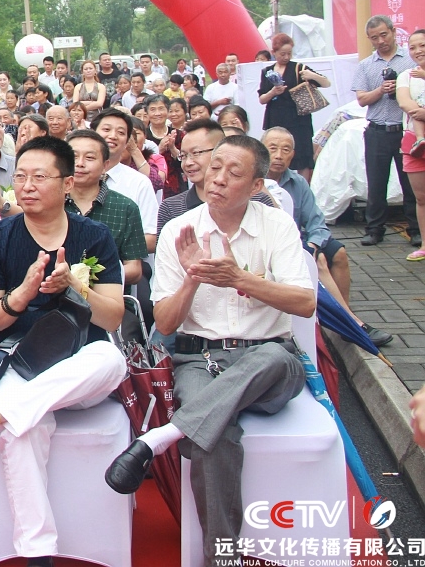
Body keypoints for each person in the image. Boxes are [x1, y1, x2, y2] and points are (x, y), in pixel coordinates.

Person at [104, 136, 315, 567]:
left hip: (269, 358)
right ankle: (223, 559)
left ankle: (163, 436)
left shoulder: (276, 225)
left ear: (256, 186)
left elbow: (305, 303)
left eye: (233, 173)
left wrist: (239, 278)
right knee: (210, 438)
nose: (217, 178)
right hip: (200, 359)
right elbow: (165, 324)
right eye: (214, 166)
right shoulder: (180, 231)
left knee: (274, 359)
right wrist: (193, 278)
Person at [0, 137, 126, 565]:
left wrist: (75, 285)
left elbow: (113, 318)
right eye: (20, 176)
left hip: (81, 363)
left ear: (67, 183)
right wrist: (20, 296)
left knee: (112, 359)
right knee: (21, 429)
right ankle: (39, 554)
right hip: (22, 359)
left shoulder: (94, 236)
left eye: (40, 177)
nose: (26, 185)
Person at [263, 127, 391, 346]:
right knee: (319, 262)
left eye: (285, 150)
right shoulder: (253, 180)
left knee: (337, 252)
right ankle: (350, 323)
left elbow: (316, 222)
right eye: (272, 148)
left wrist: (313, 244)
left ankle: (345, 313)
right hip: (272, 244)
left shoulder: (298, 182)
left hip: (300, 240)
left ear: (293, 154)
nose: (278, 155)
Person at [355, 15, 421, 247]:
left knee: (410, 183)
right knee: (376, 183)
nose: (380, 41)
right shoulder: (365, 65)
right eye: (375, 38)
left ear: (393, 31)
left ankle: (416, 229)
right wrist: (381, 90)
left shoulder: (410, 60)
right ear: (369, 39)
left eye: (384, 35)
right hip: (377, 130)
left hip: (405, 130)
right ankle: (374, 229)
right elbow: (361, 99)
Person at [66, 131, 147, 286]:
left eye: (89, 158)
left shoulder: (126, 208)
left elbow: (134, 269)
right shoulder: (49, 203)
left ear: (105, 166)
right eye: (73, 156)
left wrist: (86, 278)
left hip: (108, 295)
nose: (80, 163)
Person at [259, 33, 330, 182]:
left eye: (289, 53)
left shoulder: (299, 68)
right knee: (275, 155)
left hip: (298, 119)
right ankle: (276, 186)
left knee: (302, 156)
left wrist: (312, 75)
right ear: (274, 52)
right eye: (282, 54)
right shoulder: (267, 72)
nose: (286, 57)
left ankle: (302, 188)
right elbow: (262, 99)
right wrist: (273, 92)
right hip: (276, 118)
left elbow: (326, 83)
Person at [93, 109, 158, 252]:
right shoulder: (72, 178)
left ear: (128, 141)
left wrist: (105, 251)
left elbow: (151, 239)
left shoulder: (139, 183)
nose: (113, 136)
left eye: (121, 132)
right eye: (106, 129)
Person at [397, 30, 425, 260]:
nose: (418, 51)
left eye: (422, 45)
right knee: (421, 198)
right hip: (413, 141)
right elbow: (404, 102)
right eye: (413, 47)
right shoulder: (406, 75)